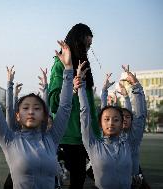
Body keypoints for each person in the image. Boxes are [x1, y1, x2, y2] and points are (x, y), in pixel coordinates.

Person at [0, 35, 74, 188]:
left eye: (36, 109)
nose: (31, 112)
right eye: (25, 108)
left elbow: (65, 107)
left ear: (44, 115)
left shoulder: (51, 139)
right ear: (17, 115)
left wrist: (68, 69)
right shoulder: (9, 139)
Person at [77, 64, 146, 188]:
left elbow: (140, 117)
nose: (111, 123)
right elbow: (84, 114)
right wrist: (81, 87)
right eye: (107, 119)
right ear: (100, 124)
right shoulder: (93, 144)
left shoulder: (130, 144)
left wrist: (136, 87)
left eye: (116, 120)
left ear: (122, 124)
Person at [49, 23, 101, 188]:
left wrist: (95, 129)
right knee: (76, 178)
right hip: (70, 134)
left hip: (87, 133)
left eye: (89, 46)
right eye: (85, 45)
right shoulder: (60, 65)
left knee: (95, 171)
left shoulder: (84, 65)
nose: (87, 49)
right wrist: (71, 87)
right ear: (76, 42)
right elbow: (54, 102)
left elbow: (89, 105)